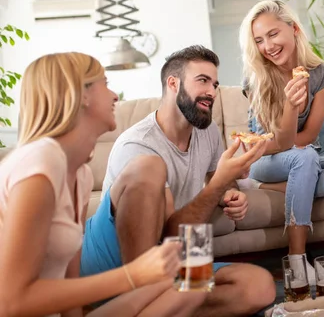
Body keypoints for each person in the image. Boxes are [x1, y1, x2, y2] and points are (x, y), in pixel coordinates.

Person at [80, 45, 276, 316]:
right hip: (119, 261)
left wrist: (230, 192)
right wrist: (220, 182)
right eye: (202, 81)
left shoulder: (205, 131)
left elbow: (214, 183)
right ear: (173, 83)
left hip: (175, 254)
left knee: (259, 287)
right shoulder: (138, 144)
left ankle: (165, 308)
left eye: (215, 83)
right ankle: (146, 301)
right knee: (148, 169)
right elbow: (170, 231)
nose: (212, 91)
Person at [0, 52, 193, 317]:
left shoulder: (79, 173)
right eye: (105, 83)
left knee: (192, 282)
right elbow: (10, 303)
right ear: (82, 94)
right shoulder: (40, 163)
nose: (115, 96)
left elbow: (69, 283)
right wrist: (132, 275)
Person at [238, 0, 324, 282]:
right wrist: (290, 106)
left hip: (305, 153)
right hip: (264, 159)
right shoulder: (257, 78)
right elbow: (275, 142)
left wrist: (300, 146)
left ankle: (265, 188)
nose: (267, 46)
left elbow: (309, 136)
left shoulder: (321, 74)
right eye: (259, 40)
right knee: (305, 157)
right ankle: (297, 260)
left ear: (293, 29)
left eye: (273, 34)